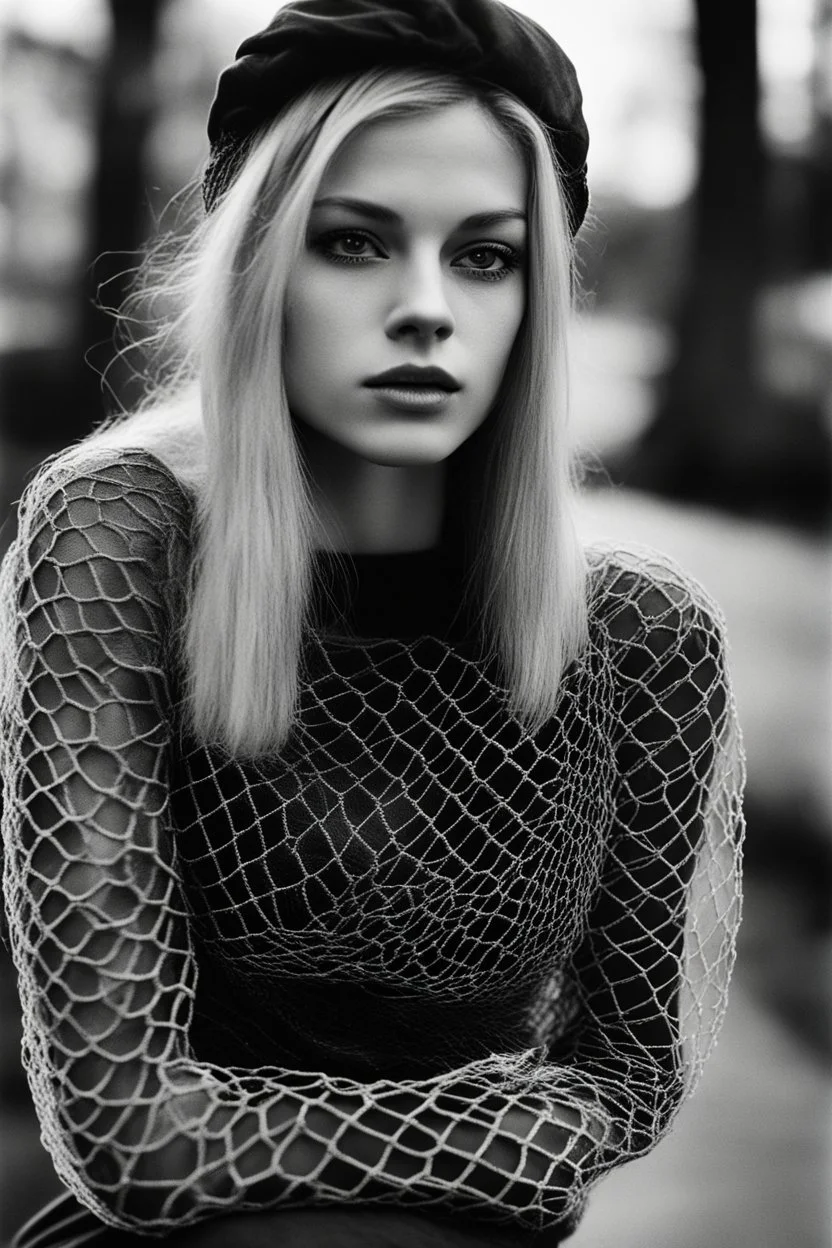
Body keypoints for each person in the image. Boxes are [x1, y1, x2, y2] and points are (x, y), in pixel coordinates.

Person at [0, 1, 745, 1245]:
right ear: (259, 265)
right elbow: (128, 1133)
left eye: (485, 255)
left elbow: (619, 1084)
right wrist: (497, 1143)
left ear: (537, 296)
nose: (424, 309)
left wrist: (484, 1155)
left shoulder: (639, 635)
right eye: (353, 243)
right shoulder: (118, 535)